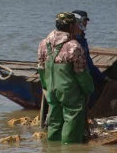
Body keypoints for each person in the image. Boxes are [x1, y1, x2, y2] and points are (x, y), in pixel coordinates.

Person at [37, 12, 94, 144]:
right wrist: (89, 89)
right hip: (69, 91)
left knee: (55, 120)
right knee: (73, 120)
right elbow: (81, 73)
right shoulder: (74, 46)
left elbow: (40, 68)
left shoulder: (43, 44)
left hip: (51, 89)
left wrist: (46, 86)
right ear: (71, 26)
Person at [72, 10, 109, 109]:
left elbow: (88, 63)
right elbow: (86, 65)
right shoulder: (74, 40)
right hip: (75, 80)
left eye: (86, 21)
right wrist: (101, 78)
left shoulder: (82, 38)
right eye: (82, 20)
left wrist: (101, 77)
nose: (85, 23)